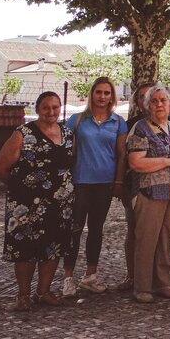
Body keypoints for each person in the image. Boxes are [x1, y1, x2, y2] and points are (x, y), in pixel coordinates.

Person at [0, 91, 75, 311]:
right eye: (46, 107)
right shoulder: (22, 133)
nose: (51, 112)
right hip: (26, 204)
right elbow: (0, 168)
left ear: (60, 108)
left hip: (60, 204)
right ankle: (23, 295)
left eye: (55, 107)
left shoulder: (68, 133)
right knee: (25, 249)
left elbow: (70, 164)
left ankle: (44, 291)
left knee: (53, 246)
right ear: (38, 109)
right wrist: (22, 190)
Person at [61, 76, 127, 298]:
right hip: (80, 181)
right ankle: (68, 277)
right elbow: (66, 151)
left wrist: (118, 182)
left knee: (96, 229)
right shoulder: (77, 120)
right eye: (98, 92)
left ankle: (91, 274)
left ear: (112, 96)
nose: (102, 97)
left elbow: (121, 155)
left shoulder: (118, 123)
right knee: (74, 229)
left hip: (104, 183)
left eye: (107, 93)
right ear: (92, 94)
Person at [127, 84, 170, 303]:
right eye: (154, 101)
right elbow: (136, 163)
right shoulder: (141, 128)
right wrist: (168, 162)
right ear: (147, 105)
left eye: (163, 100)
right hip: (151, 191)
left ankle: (163, 282)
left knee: (166, 238)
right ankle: (142, 286)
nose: (159, 104)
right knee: (146, 238)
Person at [117, 82, 152, 292]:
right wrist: (119, 182)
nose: (147, 100)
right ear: (137, 102)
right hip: (135, 185)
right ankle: (132, 274)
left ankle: (154, 273)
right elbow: (122, 157)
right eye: (142, 97)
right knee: (134, 230)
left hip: (162, 187)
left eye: (151, 95)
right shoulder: (130, 125)